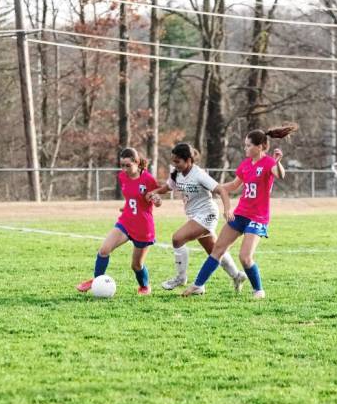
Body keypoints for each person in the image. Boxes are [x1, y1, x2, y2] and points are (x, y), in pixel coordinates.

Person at [182, 123, 298, 299]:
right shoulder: (245, 165)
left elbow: (280, 174)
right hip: (241, 213)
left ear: (260, 147)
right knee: (217, 249)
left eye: (249, 145)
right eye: (245, 145)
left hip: (257, 218)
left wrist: (278, 162)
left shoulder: (268, 163)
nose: (245, 148)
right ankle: (198, 285)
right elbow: (235, 186)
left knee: (244, 257)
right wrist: (214, 188)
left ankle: (258, 290)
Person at [147, 143, 247, 291]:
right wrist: (154, 192)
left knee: (177, 238)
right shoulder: (177, 174)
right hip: (195, 215)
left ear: (188, 160)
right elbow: (168, 188)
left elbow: (221, 190)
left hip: (207, 214)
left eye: (177, 161)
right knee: (214, 250)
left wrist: (227, 210)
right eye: (173, 161)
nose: (175, 164)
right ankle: (237, 275)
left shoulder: (199, 174)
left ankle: (181, 278)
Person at [76, 147, 161, 295]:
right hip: (126, 222)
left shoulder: (148, 179)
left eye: (128, 165)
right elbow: (131, 198)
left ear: (137, 162)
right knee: (103, 251)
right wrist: (126, 207)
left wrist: (156, 199)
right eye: (122, 165)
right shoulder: (122, 177)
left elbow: (157, 201)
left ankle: (145, 286)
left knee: (136, 265)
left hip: (143, 228)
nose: (124, 169)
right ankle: (96, 281)